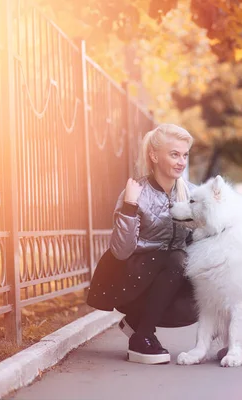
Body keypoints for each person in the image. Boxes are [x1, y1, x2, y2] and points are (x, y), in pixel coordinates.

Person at [86, 123, 197, 365]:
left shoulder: (192, 194)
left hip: (169, 276)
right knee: (175, 259)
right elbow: (121, 250)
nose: (181, 161)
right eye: (174, 154)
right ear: (154, 156)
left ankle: (137, 322)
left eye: (185, 155)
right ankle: (142, 337)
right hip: (131, 274)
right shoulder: (136, 191)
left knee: (191, 273)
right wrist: (130, 205)